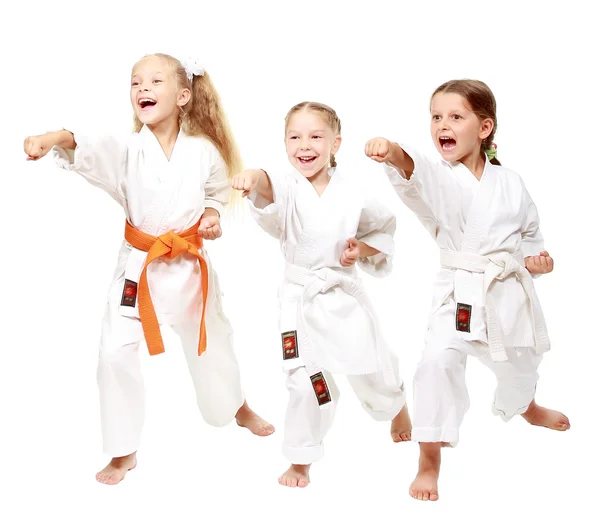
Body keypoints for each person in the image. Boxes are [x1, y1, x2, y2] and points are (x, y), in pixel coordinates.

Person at [23, 53, 274, 485]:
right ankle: (123, 451)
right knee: (113, 351)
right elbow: (91, 144)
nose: (142, 88)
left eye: (154, 81)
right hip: (139, 270)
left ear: (182, 96)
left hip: (191, 267)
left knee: (212, 341)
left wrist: (211, 217)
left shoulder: (204, 152)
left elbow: (216, 193)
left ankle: (235, 406)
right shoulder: (128, 149)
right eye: (135, 82)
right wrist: (55, 137)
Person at [365, 79, 570, 501]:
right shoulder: (440, 177)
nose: (443, 124)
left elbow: (530, 235)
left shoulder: (511, 182)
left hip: (505, 294)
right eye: (436, 117)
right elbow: (412, 167)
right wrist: (392, 149)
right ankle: (429, 457)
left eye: (455, 116)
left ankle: (526, 406)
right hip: (457, 294)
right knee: (435, 364)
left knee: (520, 366)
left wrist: (536, 262)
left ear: (485, 128)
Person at [232, 101, 411, 488]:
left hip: (343, 295)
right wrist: (251, 175)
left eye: (316, 136)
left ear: (335, 144)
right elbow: (266, 185)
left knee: (371, 366)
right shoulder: (285, 184)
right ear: (284, 143)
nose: (305, 145)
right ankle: (302, 456)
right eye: (295, 137)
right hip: (299, 299)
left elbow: (382, 230)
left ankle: (395, 405)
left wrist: (360, 251)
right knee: (302, 378)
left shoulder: (353, 194)